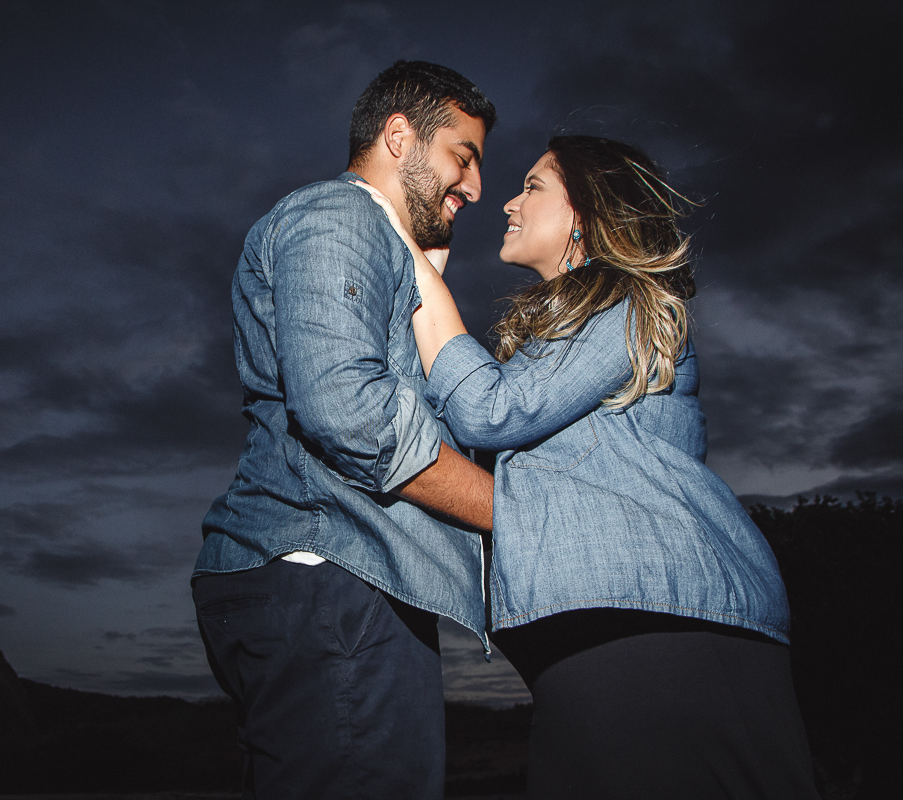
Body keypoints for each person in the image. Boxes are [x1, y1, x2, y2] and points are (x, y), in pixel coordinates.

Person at [360, 135, 820, 799]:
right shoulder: (558, 343)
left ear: (584, 212)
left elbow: (490, 410)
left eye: (533, 186)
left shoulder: (630, 302)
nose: (509, 203)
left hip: (667, 624)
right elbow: (457, 421)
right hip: (598, 631)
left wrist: (418, 270)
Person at [192, 61, 497, 799]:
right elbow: (347, 409)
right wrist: (513, 512)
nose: (477, 187)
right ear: (399, 136)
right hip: (332, 576)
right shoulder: (340, 214)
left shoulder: (374, 238)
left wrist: (422, 282)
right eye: (463, 156)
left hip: (329, 584)